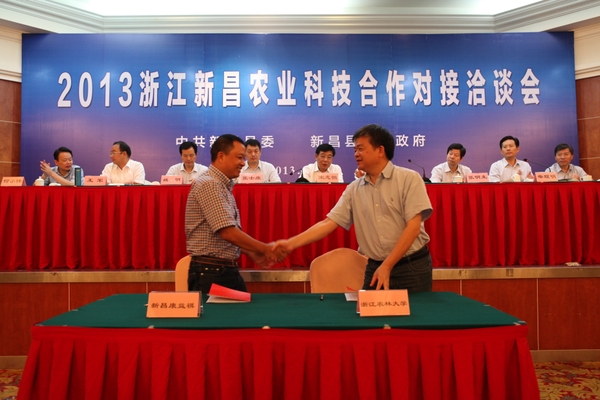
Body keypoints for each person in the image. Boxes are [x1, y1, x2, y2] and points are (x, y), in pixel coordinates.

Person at [276, 124, 433, 292]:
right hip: (375, 267)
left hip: (411, 267)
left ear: (380, 150)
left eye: (360, 149)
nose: (356, 154)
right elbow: (328, 223)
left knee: (417, 310)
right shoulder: (354, 188)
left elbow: (413, 228)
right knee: (367, 310)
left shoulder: (409, 179)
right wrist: (290, 244)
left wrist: (387, 266)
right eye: (355, 150)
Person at [185, 134, 287, 293]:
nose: (243, 163)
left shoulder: (220, 184)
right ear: (221, 156)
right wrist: (264, 249)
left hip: (219, 269)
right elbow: (227, 232)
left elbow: (222, 235)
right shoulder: (210, 184)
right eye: (240, 157)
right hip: (212, 271)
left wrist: (250, 251)